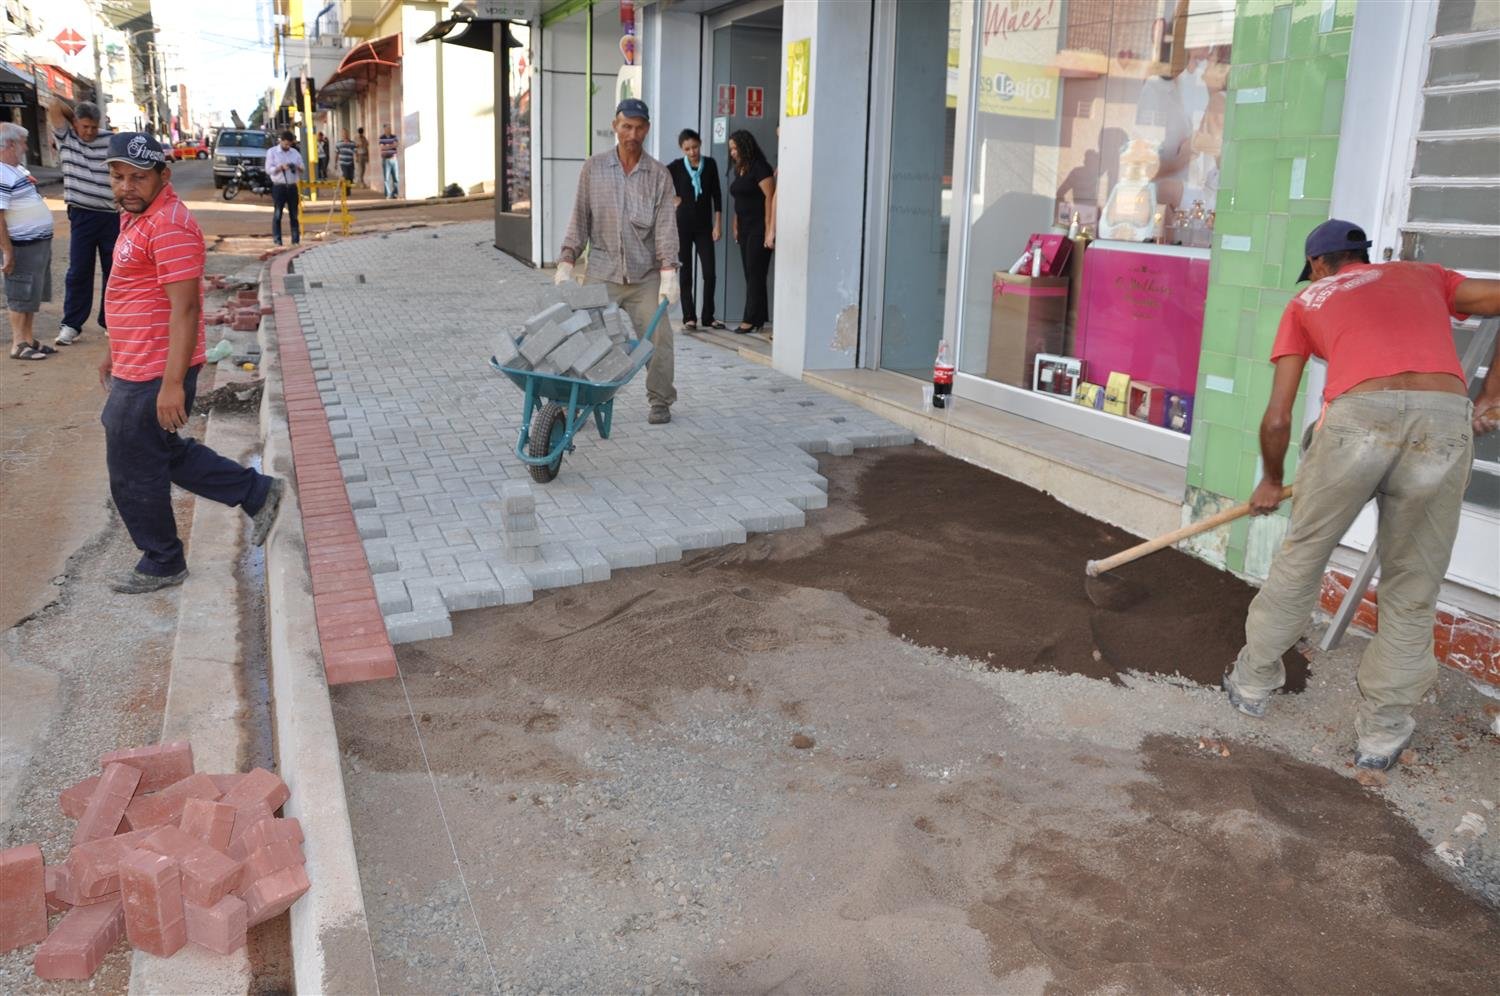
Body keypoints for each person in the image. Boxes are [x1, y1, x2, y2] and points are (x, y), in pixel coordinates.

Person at [1223, 218, 1500, 773]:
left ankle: (1253, 682)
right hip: (1443, 422)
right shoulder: (1423, 275)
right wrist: (1491, 395)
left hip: (1356, 423)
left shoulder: (1308, 300)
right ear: (1363, 256)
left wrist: (1271, 480)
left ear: (1318, 264)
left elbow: (1277, 418)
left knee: (1303, 557)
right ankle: (1382, 732)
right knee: (1413, 582)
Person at [99, 132, 285, 593]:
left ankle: (162, 560)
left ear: (164, 176)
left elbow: (185, 309)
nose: (126, 187)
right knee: (160, 451)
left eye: (138, 178)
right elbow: (133, 294)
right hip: (136, 361)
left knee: (132, 466)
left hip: (155, 369)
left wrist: (171, 384)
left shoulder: (169, 225)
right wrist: (114, 351)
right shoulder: (136, 217)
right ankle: (256, 492)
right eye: (118, 177)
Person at [555, 98, 680, 425]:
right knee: (584, 337)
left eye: (638, 128)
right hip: (602, 271)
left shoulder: (659, 175)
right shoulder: (593, 169)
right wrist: (567, 259)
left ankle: (660, 400)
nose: (632, 134)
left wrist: (669, 273)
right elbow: (579, 219)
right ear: (615, 126)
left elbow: (666, 228)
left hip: (644, 276)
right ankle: (577, 400)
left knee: (659, 338)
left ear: (647, 129)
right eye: (626, 126)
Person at [48, 99, 116, 347]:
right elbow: (54, 105)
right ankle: (71, 325)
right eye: (85, 126)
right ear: (76, 123)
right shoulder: (66, 137)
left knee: (114, 271)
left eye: (93, 127)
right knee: (78, 271)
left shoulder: (110, 140)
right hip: (81, 215)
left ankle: (110, 321)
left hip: (111, 216)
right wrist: (73, 119)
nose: (89, 132)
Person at [1, 123, 55, 361]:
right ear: (10, 144)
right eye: (22, 143)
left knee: (32, 293)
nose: (26, 148)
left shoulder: (16, 169)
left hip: (36, 243)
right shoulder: (1, 172)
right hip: (21, 245)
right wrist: (7, 250)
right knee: (20, 294)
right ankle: (18, 344)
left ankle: (29, 339)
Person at [666, 129, 723, 332]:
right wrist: (673, 199)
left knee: (710, 272)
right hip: (682, 226)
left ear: (700, 143)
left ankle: (708, 316)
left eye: (695, 147)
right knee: (686, 272)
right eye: (687, 149)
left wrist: (717, 224)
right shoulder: (675, 166)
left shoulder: (710, 164)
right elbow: (657, 182)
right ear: (682, 149)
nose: (692, 152)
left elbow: (717, 195)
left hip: (704, 227)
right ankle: (689, 317)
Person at [726, 130, 775, 333]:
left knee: (755, 273)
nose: (733, 153)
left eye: (735, 148)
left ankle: (749, 319)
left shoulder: (760, 167)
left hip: (759, 227)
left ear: (745, 147)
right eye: (731, 149)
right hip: (744, 227)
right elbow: (739, 199)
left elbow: (770, 197)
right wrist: (735, 224)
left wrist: (769, 229)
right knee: (751, 273)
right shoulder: (740, 169)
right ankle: (759, 317)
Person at [264, 130, 304, 247]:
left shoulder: (295, 153)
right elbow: (268, 170)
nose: (287, 146)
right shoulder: (272, 152)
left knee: (294, 215)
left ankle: (295, 241)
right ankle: (277, 240)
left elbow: (302, 167)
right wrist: (280, 168)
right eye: (285, 144)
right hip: (279, 186)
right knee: (278, 214)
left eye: (289, 144)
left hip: (292, 186)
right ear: (281, 141)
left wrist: (296, 167)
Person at [379, 124, 399, 199]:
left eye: (390, 128)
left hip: (394, 159)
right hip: (386, 160)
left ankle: (395, 193)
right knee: (386, 178)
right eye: (387, 128)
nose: (389, 130)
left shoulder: (394, 137)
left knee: (396, 178)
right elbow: (382, 147)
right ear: (384, 129)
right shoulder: (382, 137)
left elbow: (396, 145)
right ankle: (388, 194)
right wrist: (391, 145)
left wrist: (387, 146)